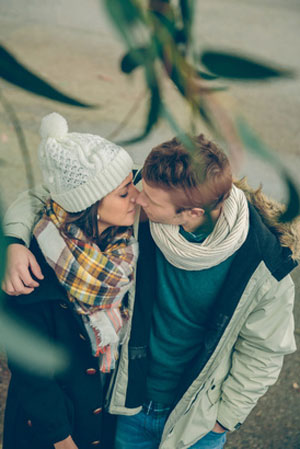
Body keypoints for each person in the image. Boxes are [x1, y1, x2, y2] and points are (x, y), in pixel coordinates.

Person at [2, 134, 298, 449]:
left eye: (150, 201)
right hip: (128, 407)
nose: (138, 198)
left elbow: (264, 351)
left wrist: (224, 418)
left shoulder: (263, 263)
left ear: (193, 213)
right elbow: (54, 193)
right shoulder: (146, 194)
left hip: (197, 420)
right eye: (136, 189)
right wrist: (13, 241)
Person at [1, 112, 139, 449]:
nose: (138, 195)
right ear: (88, 204)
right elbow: (32, 372)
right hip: (52, 431)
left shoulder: (127, 246)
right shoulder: (32, 268)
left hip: (105, 419)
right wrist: (60, 440)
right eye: (123, 192)